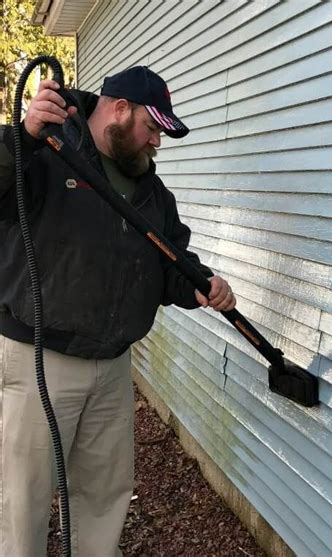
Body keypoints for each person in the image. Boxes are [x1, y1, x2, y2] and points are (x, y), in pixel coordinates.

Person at [0, 66, 236, 557]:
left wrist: (200, 285)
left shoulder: (151, 193)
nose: (156, 143)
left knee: (104, 495)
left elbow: (169, 259)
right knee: (24, 498)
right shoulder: (43, 148)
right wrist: (22, 137)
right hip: (41, 357)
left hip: (112, 366)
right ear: (119, 110)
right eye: (152, 130)